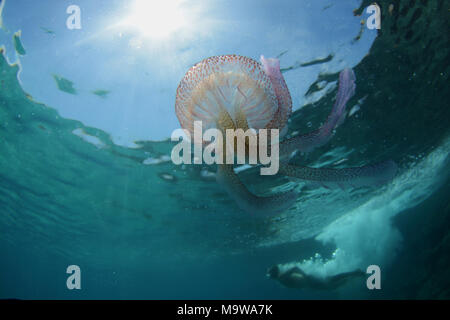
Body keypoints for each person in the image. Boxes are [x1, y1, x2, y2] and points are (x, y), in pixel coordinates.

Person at [267, 264, 365, 290]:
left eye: (270, 275)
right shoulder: (281, 278)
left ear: (274, 274)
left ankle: (354, 275)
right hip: (309, 282)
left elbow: (295, 268)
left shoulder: (282, 277)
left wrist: (304, 276)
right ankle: (355, 273)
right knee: (330, 280)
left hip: (309, 281)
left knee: (330, 286)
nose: (270, 277)